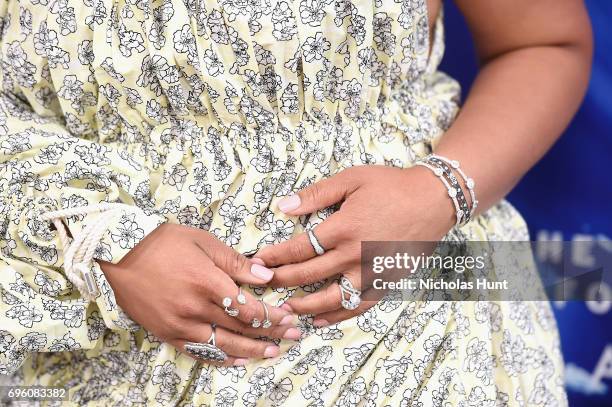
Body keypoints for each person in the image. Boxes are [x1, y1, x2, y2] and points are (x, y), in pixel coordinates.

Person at [0, 0, 592, 405]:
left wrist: (434, 194)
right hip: (72, 327)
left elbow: (544, 39)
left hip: (417, 317)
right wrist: (102, 244)